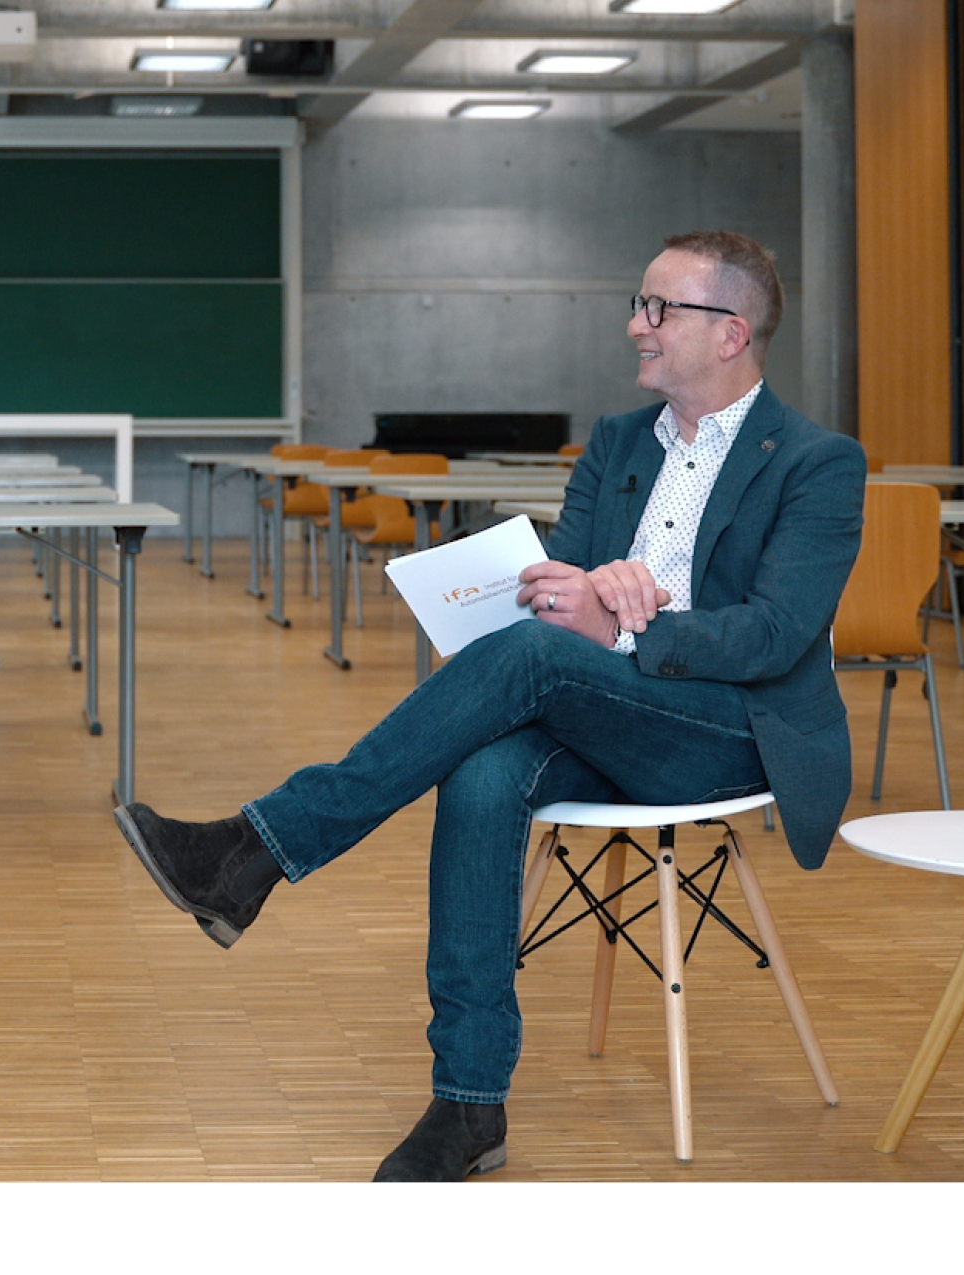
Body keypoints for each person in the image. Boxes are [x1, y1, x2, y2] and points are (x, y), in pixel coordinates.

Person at [114, 230, 867, 1181]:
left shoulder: (816, 461)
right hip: (603, 710)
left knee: (536, 659)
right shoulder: (616, 441)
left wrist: (625, 626)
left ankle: (253, 849)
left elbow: (775, 633)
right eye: (637, 304)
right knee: (480, 768)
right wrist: (566, 594)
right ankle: (468, 1103)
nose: (634, 325)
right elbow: (566, 581)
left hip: (727, 730)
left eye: (657, 308)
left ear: (730, 333)